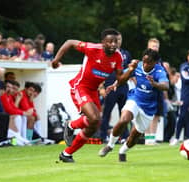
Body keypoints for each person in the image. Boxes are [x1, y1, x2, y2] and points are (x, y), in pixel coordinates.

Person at [51, 28, 137, 163]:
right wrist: (56, 60)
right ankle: (71, 126)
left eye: (116, 41)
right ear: (103, 42)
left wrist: (130, 70)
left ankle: (66, 153)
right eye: (110, 42)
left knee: (95, 124)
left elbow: (120, 79)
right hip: (80, 87)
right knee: (94, 117)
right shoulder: (92, 48)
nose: (113, 44)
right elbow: (69, 42)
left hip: (93, 90)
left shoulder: (118, 56)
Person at [98, 49, 169, 162]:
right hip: (135, 99)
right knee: (124, 119)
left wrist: (154, 84)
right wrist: (115, 84)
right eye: (144, 61)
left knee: (135, 136)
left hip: (148, 108)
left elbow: (166, 86)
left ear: (155, 62)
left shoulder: (159, 71)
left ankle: (123, 151)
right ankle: (110, 145)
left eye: (149, 62)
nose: (145, 64)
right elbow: (123, 76)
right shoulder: (138, 66)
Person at [99, 31, 132, 143]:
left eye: (119, 40)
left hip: (123, 86)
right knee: (107, 112)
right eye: (115, 40)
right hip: (110, 85)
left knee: (124, 112)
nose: (117, 42)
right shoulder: (107, 54)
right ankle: (103, 135)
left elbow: (129, 70)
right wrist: (101, 86)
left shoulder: (126, 54)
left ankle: (124, 136)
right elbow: (101, 70)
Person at [145, 38, 168, 145]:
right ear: (148, 47)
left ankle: (152, 138)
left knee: (157, 114)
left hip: (158, 91)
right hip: (148, 91)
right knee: (147, 114)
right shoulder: (145, 60)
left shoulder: (160, 61)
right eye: (153, 46)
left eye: (157, 47)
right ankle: (147, 138)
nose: (155, 49)